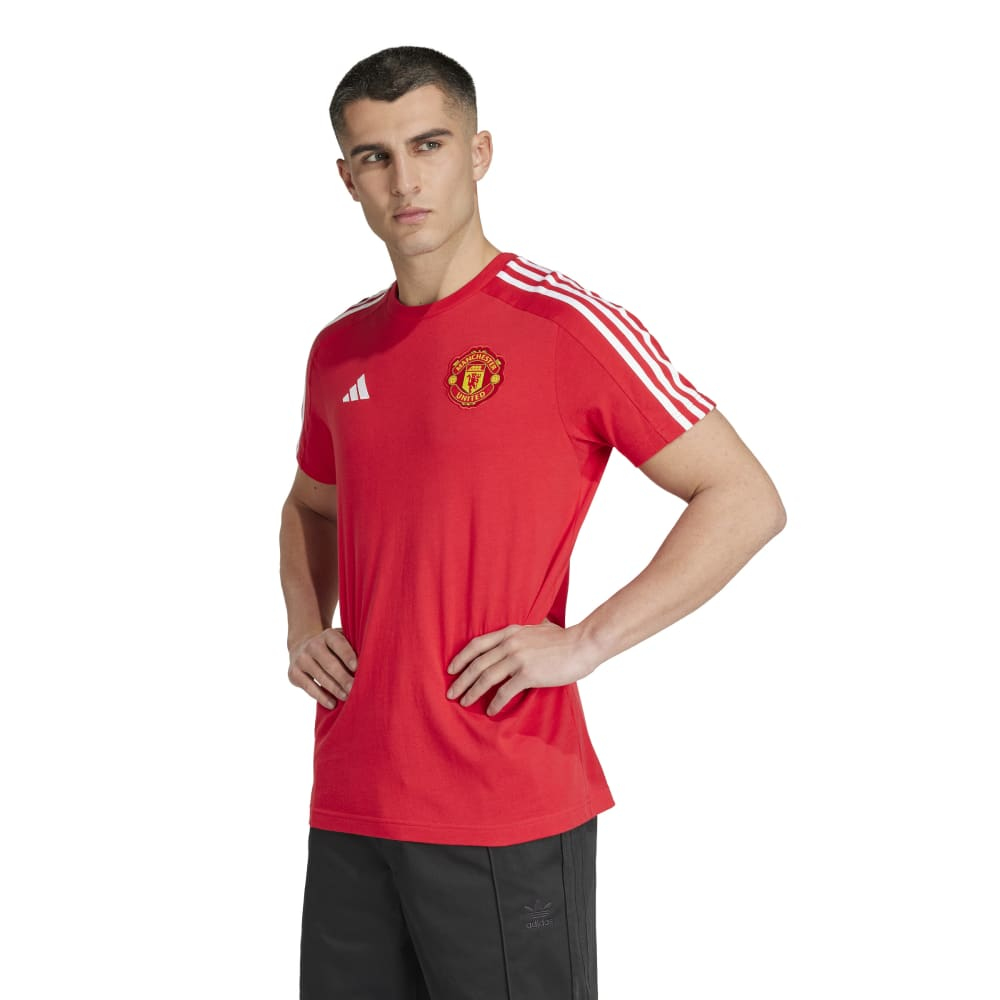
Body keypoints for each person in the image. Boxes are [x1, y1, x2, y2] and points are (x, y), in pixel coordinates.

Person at [279, 44, 786, 1000]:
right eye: (376, 156)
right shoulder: (339, 348)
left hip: (501, 799)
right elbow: (311, 503)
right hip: (352, 798)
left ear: (479, 153)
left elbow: (744, 497)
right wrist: (307, 625)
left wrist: (586, 641)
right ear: (347, 178)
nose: (405, 179)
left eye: (429, 144)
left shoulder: (565, 327)